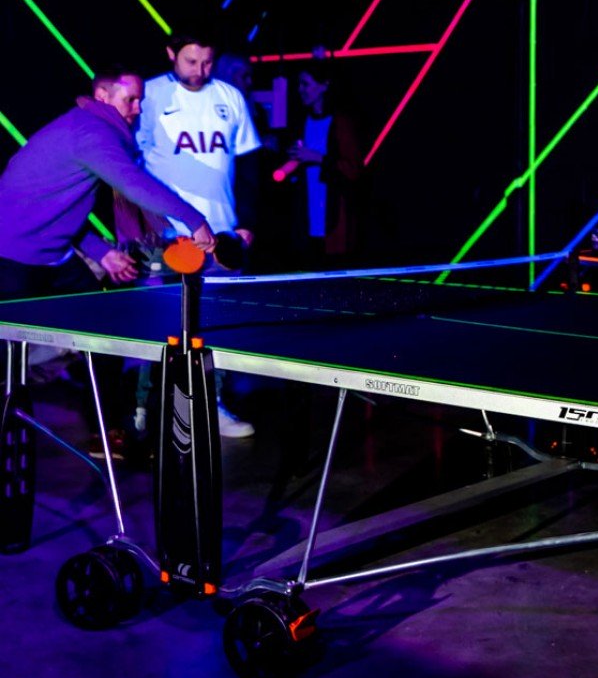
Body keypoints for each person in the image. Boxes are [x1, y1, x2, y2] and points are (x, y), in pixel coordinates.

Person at [0, 65, 215, 485]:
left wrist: (102, 253)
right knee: (10, 360)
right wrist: (194, 219)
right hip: (12, 257)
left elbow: (57, 206)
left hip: (56, 257)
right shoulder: (90, 131)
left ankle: (108, 427)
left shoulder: (88, 131)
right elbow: (134, 183)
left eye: (140, 100)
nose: (137, 108)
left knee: (102, 337)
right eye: (129, 99)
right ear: (102, 96)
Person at [136, 32, 262, 437]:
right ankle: (143, 412)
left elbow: (249, 162)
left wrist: (247, 222)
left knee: (216, 327)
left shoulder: (230, 97)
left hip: (222, 237)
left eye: (207, 62)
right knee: (159, 328)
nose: (199, 71)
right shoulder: (149, 96)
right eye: (190, 61)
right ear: (171, 53)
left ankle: (213, 405)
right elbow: (128, 167)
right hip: (165, 237)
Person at [283, 64, 366, 269]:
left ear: (324, 85)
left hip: (334, 210)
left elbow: (353, 168)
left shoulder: (341, 122)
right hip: (306, 208)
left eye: (306, 84)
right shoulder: (301, 121)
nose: (301, 89)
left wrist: (318, 157)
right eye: (299, 84)